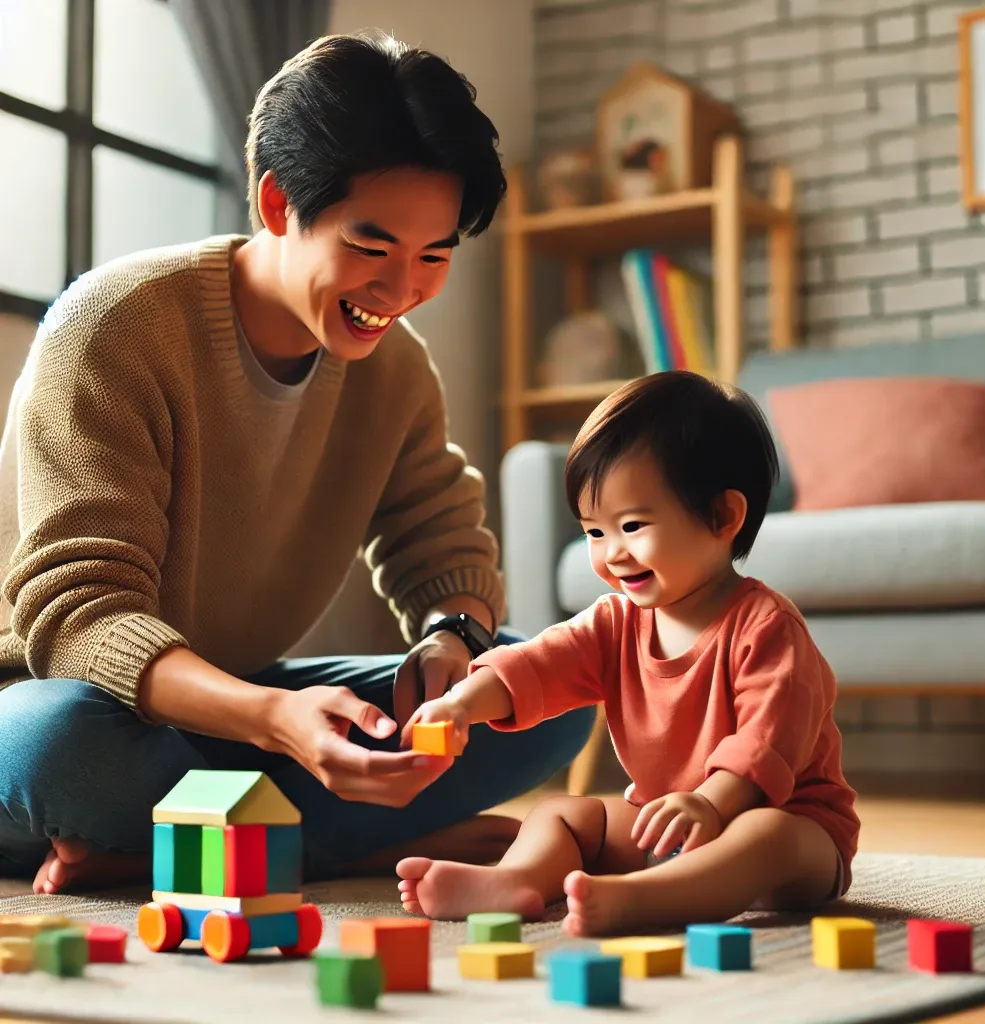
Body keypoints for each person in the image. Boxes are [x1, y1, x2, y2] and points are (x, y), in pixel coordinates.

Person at [0, 32, 594, 896]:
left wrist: (451, 641)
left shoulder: (395, 370)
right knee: (63, 750)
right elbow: (81, 619)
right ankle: (332, 845)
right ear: (279, 204)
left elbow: (444, 549)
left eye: (434, 258)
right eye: (370, 247)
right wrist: (277, 721)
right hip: (53, 698)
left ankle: (173, 844)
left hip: (231, 712)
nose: (399, 293)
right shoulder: (116, 327)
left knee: (544, 686)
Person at [397, 371, 861, 937]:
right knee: (561, 814)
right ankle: (515, 880)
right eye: (594, 532)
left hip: (785, 830)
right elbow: (539, 663)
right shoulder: (615, 622)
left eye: (632, 526)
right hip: (663, 822)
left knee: (765, 836)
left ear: (723, 518)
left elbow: (767, 745)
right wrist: (462, 703)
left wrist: (711, 804)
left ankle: (645, 899)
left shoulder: (768, 629)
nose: (612, 553)